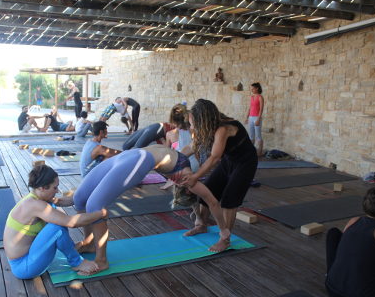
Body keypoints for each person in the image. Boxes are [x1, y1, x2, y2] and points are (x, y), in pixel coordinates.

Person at [73, 144, 231, 274]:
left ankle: (101, 260)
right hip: (131, 156)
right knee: (79, 198)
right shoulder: (188, 180)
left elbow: (205, 201)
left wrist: (215, 229)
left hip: (136, 157)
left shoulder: (186, 176)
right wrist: (212, 226)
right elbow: (211, 202)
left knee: (94, 205)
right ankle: (89, 243)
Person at [3, 165, 108, 279]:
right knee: (57, 227)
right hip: (24, 267)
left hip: (28, 257)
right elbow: (71, 222)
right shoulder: (35, 205)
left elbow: (63, 201)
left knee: (57, 221)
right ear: (43, 187)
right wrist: (101, 213)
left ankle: (74, 252)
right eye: (55, 187)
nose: (57, 191)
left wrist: (87, 193)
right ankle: (77, 263)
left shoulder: (36, 197)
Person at [180, 99, 258, 240]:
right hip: (229, 160)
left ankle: (225, 239)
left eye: (193, 123)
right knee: (209, 189)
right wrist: (172, 158)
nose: (191, 126)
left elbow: (214, 158)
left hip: (245, 162)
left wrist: (195, 176)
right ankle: (202, 225)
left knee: (230, 198)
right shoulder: (206, 128)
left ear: (203, 119)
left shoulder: (224, 128)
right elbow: (192, 147)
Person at [245, 82, 264, 157]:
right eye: (251, 88)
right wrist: (247, 117)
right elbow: (250, 108)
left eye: (253, 88)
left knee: (258, 136)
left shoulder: (260, 97)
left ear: (257, 88)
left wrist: (258, 119)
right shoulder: (251, 97)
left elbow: (261, 109)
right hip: (251, 117)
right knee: (251, 136)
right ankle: (251, 151)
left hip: (257, 117)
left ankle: (259, 152)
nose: (252, 90)